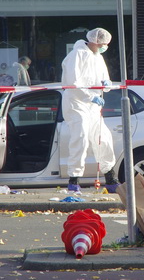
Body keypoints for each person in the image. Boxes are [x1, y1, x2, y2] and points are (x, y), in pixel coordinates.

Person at [61, 27, 119, 193]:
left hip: (93, 106)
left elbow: (105, 81)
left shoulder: (98, 57)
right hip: (76, 103)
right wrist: (89, 96)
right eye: (104, 44)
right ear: (96, 41)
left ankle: (110, 178)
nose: (105, 47)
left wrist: (107, 85)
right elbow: (72, 83)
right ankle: (74, 180)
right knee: (81, 137)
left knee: (103, 138)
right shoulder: (76, 55)